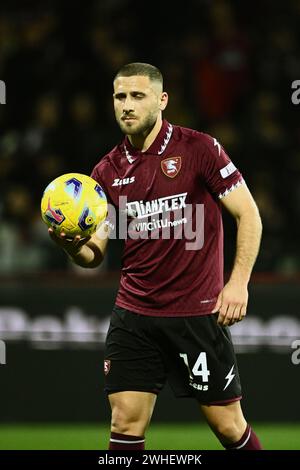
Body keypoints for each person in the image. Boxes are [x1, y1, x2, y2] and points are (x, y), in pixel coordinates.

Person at [48, 62, 263, 450]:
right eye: (119, 97)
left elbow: (248, 214)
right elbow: (95, 253)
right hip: (135, 316)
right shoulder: (107, 171)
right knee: (125, 423)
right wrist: (70, 244)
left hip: (196, 315)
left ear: (162, 100)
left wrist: (238, 283)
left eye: (137, 96)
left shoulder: (199, 149)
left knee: (229, 427)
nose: (126, 106)